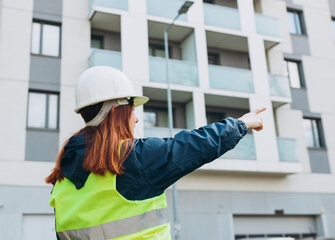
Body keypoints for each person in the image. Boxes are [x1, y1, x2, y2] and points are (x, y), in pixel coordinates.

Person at [46, 66, 265, 240]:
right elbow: (195, 145)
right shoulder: (132, 159)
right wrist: (241, 124)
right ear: (115, 112)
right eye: (132, 111)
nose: (136, 119)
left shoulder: (61, 181)